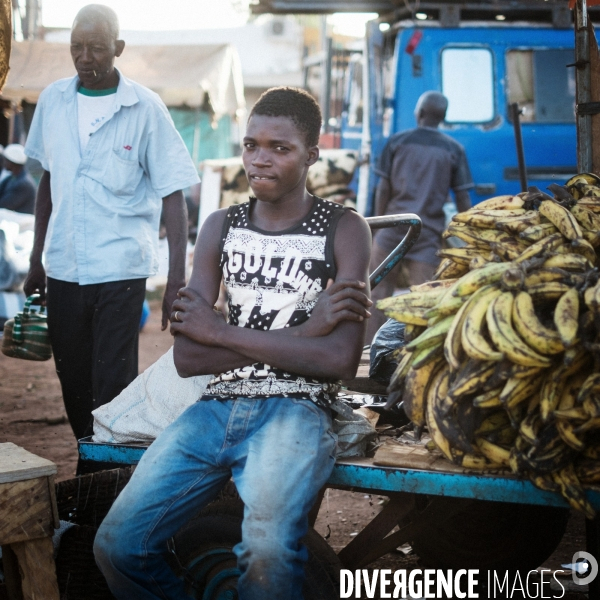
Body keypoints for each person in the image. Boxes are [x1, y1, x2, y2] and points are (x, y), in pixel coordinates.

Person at [93, 87, 373, 600]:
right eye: (250, 144)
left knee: (267, 556)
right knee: (117, 546)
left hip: (296, 410)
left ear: (311, 154)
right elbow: (188, 357)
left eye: (280, 148)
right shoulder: (221, 225)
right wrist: (303, 333)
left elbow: (337, 360)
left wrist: (219, 330)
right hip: (214, 408)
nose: (259, 160)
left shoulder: (344, 228)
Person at [23, 4, 199, 450]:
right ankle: (93, 464)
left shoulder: (144, 108)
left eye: (97, 48)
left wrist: (177, 275)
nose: (85, 58)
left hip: (121, 268)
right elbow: (48, 181)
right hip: (64, 266)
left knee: (113, 383)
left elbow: (173, 193)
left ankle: (99, 489)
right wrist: (35, 259)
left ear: (117, 49)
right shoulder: (53, 101)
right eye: (76, 48)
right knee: (73, 382)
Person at [366, 91, 474, 342]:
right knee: (425, 299)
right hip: (427, 233)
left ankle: (366, 352)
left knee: (377, 294)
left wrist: (376, 225)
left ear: (421, 113)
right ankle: (418, 350)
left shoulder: (397, 142)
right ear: (443, 116)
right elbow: (463, 199)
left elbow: (382, 188)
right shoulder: (454, 149)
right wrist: (469, 238)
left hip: (392, 229)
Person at [0, 143, 36, 214]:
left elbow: (5, 205)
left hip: (22, 222)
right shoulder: (10, 178)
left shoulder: (24, 184)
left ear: (12, 162)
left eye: (6, 160)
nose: (3, 163)